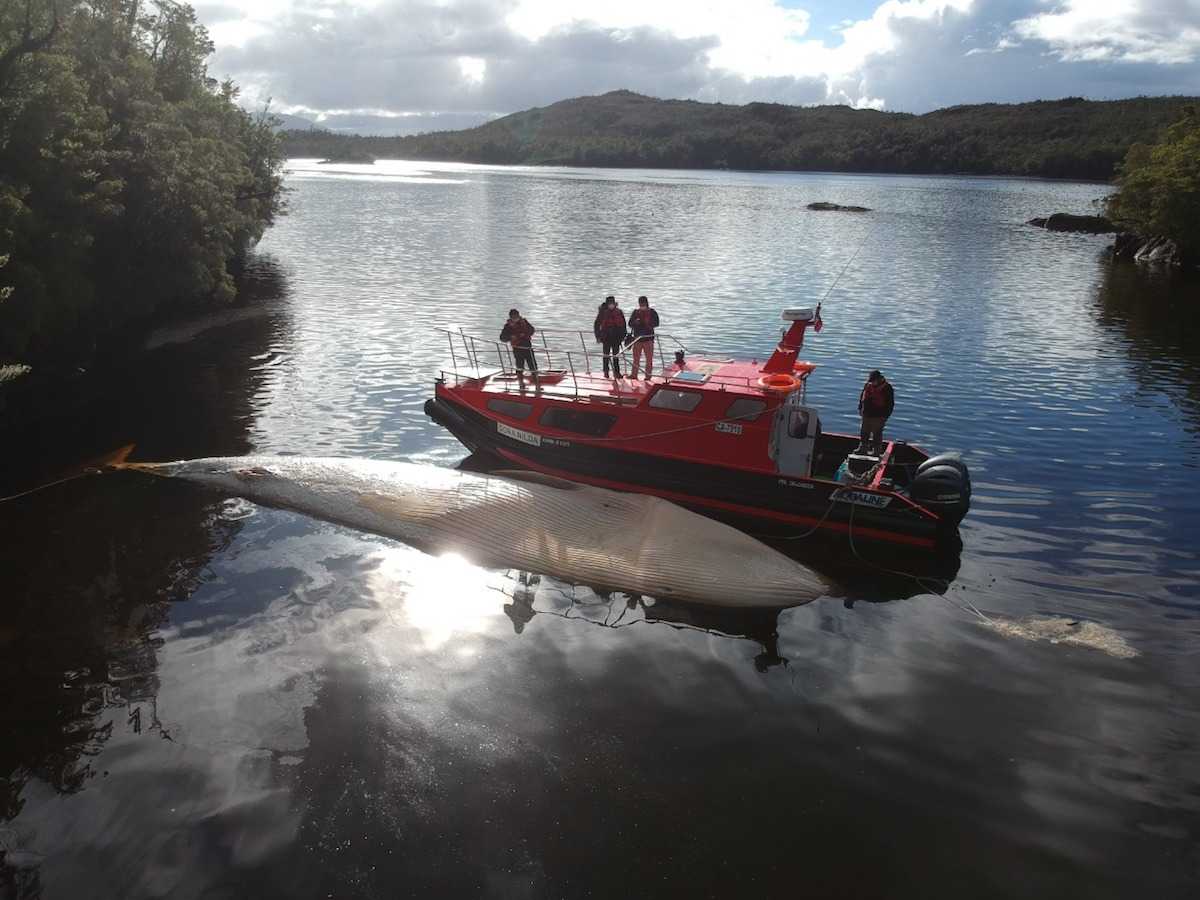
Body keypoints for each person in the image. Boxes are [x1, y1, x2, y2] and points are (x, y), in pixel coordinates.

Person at [857, 369, 894, 454]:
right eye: (871, 381)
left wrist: (886, 415)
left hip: (879, 416)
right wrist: (860, 408)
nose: (872, 383)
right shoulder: (867, 385)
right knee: (864, 432)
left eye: (873, 381)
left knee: (877, 434)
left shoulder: (887, 388)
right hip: (866, 413)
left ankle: (876, 451)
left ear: (878, 379)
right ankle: (862, 448)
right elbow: (862, 397)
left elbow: (890, 404)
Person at [593, 295, 627, 378]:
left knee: (616, 356)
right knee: (606, 355)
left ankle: (617, 372)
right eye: (610, 304)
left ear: (614, 304)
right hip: (606, 337)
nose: (611, 305)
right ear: (607, 304)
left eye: (612, 303)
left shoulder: (619, 312)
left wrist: (623, 336)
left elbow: (623, 325)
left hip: (616, 337)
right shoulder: (602, 313)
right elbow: (596, 324)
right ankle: (606, 371)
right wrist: (598, 336)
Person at [627, 295, 660, 380]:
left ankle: (648, 376)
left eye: (643, 303)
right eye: (640, 303)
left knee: (649, 359)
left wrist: (648, 322)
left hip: (648, 339)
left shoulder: (652, 312)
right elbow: (630, 324)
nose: (642, 305)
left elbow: (657, 323)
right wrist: (635, 322)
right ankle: (634, 375)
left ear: (647, 303)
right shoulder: (636, 312)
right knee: (636, 359)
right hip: (637, 339)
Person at [499, 308, 537, 377]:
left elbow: (532, 330)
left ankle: (535, 376)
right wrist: (511, 337)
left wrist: (524, 334)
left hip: (527, 345)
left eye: (516, 316)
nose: (515, 318)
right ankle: (520, 378)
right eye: (513, 317)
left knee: (532, 362)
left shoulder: (524, 322)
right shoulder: (508, 326)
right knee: (519, 364)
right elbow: (502, 337)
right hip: (517, 347)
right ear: (510, 317)